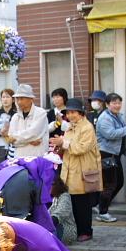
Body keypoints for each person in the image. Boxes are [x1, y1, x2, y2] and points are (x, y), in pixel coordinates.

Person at [52, 98, 102, 242]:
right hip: (69, 170)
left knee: (83, 203)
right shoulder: (70, 127)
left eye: (73, 112)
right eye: (69, 112)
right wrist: (59, 146)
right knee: (72, 202)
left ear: (80, 113)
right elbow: (68, 146)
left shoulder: (87, 127)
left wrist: (64, 143)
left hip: (82, 172)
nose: (71, 115)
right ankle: (76, 231)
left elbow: (82, 148)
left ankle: (86, 231)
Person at [0, 155, 57, 234]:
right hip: (21, 180)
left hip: (1, 176)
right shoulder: (49, 166)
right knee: (36, 220)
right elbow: (44, 189)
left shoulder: (29, 160)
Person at [95, 93, 126, 223]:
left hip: (114, 154)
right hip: (106, 154)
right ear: (107, 104)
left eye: (119, 103)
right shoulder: (105, 118)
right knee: (110, 185)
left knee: (119, 182)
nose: (117, 105)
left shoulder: (118, 116)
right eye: (114, 103)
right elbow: (110, 134)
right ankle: (103, 212)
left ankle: (101, 205)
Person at [5, 84, 48, 159]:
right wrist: (29, 141)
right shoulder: (15, 117)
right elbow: (11, 139)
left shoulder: (41, 113)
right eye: (17, 99)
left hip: (37, 157)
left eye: (22, 99)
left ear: (31, 99)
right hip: (19, 157)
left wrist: (16, 138)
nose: (19, 102)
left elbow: (33, 133)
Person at [49, 176, 78, 245]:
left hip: (66, 231)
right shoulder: (56, 198)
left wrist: (50, 220)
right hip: (58, 228)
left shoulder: (65, 197)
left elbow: (60, 213)